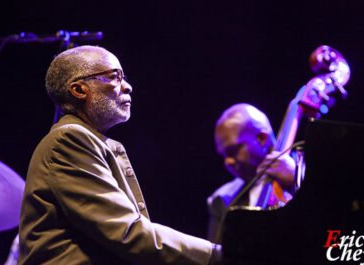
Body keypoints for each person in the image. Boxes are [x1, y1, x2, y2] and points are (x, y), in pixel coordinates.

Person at [18, 45, 221, 265]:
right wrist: (216, 255)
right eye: (115, 77)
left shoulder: (88, 140)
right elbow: (127, 231)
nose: (128, 86)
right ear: (78, 90)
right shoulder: (68, 141)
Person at [207, 103, 297, 243]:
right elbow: (216, 258)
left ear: (262, 138)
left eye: (233, 151)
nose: (227, 162)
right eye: (223, 155)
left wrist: (296, 179)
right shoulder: (221, 199)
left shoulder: (305, 169)